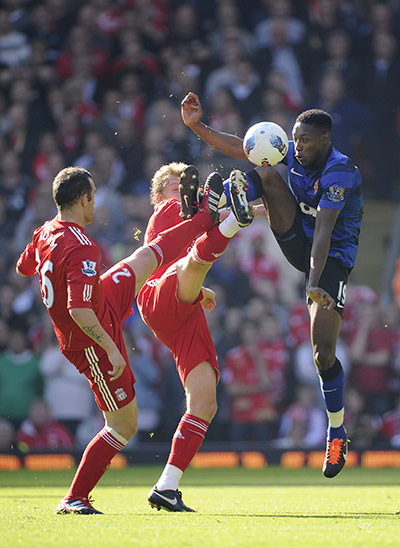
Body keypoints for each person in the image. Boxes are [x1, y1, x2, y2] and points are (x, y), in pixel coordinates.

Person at [16, 165, 224, 515]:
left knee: (148, 254)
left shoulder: (44, 233)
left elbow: (25, 266)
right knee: (124, 425)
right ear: (83, 199)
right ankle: (74, 497)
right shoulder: (83, 247)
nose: (96, 204)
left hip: (103, 297)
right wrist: (112, 349)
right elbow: (80, 313)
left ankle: (204, 219)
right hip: (91, 340)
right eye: (93, 197)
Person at [181, 91, 363, 479]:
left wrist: (314, 285)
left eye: (305, 140)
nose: (297, 147)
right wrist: (198, 126)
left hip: (331, 261)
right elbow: (242, 146)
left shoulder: (340, 171)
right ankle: (226, 202)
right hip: (299, 239)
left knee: (322, 355)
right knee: (264, 172)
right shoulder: (293, 155)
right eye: (295, 139)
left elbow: (325, 234)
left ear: (326, 140)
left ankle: (337, 431)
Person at [136, 162, 255, 512]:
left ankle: (167, 486)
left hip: (186, 309)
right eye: (177, 185)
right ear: (158, 196)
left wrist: (263, 207)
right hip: (158, 294)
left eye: (187, 185)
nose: (183, 190)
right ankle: (236, 222)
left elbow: (209, 218)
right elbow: (200, 218)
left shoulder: (194, 213)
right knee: (196, 261)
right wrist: (229, 210)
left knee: (205, 403)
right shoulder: (166, 210)